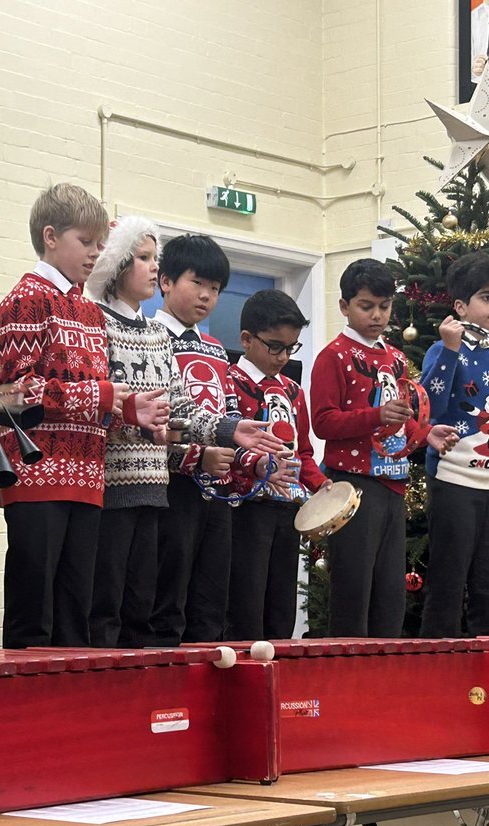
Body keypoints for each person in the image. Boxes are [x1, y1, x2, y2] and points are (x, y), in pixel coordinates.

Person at [84, 217, 281, 648]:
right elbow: (98, 404)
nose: (154, 268)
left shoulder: (158, 335)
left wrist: (232, 431)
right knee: (108, 606)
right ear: (116, 264)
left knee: (148, 606)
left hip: (155, 487)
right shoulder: (94, 321)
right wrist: (180, 445)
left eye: (156, 258)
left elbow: (179, 407)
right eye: (144, 258)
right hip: (116, 486)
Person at [0, 184, 168, 649]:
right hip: (37, 475)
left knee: (75, 612)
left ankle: (68, 714)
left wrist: (130, 408)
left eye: (99, 244)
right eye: (85, 242)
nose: (96, 254)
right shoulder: (25, 299)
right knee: (36, 612)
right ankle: (27, 712)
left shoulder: (88, 309)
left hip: (88, 478)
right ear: (50, 237)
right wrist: (103, 395)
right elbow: (17, 392)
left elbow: (96, 397)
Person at [310, 259, 458, 638]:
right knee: (354, 590)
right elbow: (323, 423)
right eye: (365, 306)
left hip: (393, 484)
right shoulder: (334, 356)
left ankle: (382, 675)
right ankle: (347, 676)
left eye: (384, 306)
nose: (377, 315)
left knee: (390, 591)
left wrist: (425, 434)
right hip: (354, 487)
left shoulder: (393, 357)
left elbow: (400, 414)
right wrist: (375, 416)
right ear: (344, 306)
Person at [418, 252, 489, 638]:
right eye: (486, 297)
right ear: (461, 305)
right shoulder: (441, 350)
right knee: (447, 579)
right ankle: (438, 668)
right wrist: (448, 350)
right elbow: (431, 405)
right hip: (455, 479)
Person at [148, 234, 239, 645]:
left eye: (215, 289)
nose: (206, 296)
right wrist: (194, 458)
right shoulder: (151, 337)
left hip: (217, 488)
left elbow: (229, 412)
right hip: (172, 486)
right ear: (165, 282)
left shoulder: (218, 350)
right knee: (168, 592)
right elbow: (157, 417)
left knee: (212, 595)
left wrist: (242, 457)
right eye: (197, 283)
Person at [226, 289, 328, 641]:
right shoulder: (230, 382)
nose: (284, 356)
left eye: (291, 348)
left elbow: (303, 453)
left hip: (287, 508)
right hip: (246, 508)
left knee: (282, 600)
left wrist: (320, 485)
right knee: (246, 599)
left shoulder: (294, 391)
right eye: (275, 346)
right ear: (246, 339)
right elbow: (225, 447)